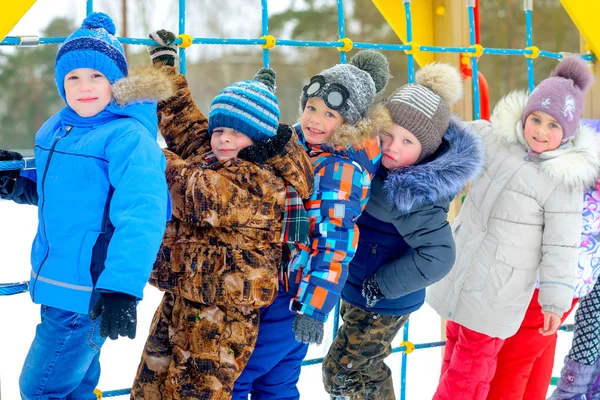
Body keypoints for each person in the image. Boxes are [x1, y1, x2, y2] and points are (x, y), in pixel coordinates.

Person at [131, 33, 314, 399]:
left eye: (235, 133)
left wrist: (133, 147)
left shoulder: (260, 183)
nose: (223, 139)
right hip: (184, 297)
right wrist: (165, 68)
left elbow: (193, 190)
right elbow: (185, 123)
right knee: (150, 388)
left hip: (223, 318)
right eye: (219, 130)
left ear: (259, 139)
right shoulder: (220, 155)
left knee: (197, 393)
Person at [0, 12, 171, 399]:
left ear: (117, 83)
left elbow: (142, 216)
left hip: (92, 289)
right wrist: (15, 181)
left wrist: (121, 288)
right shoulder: (57, 127)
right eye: (73, 77)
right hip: (56, 281)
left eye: (97, 76)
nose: (85, 87)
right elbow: (64, 191)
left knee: (39, 388)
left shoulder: (128, 138)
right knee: (74, 386)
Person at [427, 55, 600, 400]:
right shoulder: (496, 140)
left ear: (567, 135)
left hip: (517, 286)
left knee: (486, 368)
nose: (540, 130)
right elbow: (454, 132)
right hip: (470, 275)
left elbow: (562, 244)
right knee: (460, 353)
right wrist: (431, 95)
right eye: (536, 119)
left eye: (553, 126)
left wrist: (554, 299)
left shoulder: (564, 178)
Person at [233, 50, 392, 400]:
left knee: (238, 376)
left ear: (349, 123)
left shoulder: (339, 169)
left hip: (291, 295)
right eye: (311, 108)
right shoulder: (303, 146)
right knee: (275, 383)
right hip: (283, 288)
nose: (315, 119)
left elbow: (335, 243)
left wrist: (314, 309)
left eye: (329, 113)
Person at [321, 62, 485, 400]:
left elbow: (440, 255)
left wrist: (382, 284)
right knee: (364, 369)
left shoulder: (415, 197)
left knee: (343, 372)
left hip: (383, 298)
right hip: (355, 286)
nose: (393, 146)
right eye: (387, 134)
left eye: (407, 141)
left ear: (425, 150)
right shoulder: (370, 164)